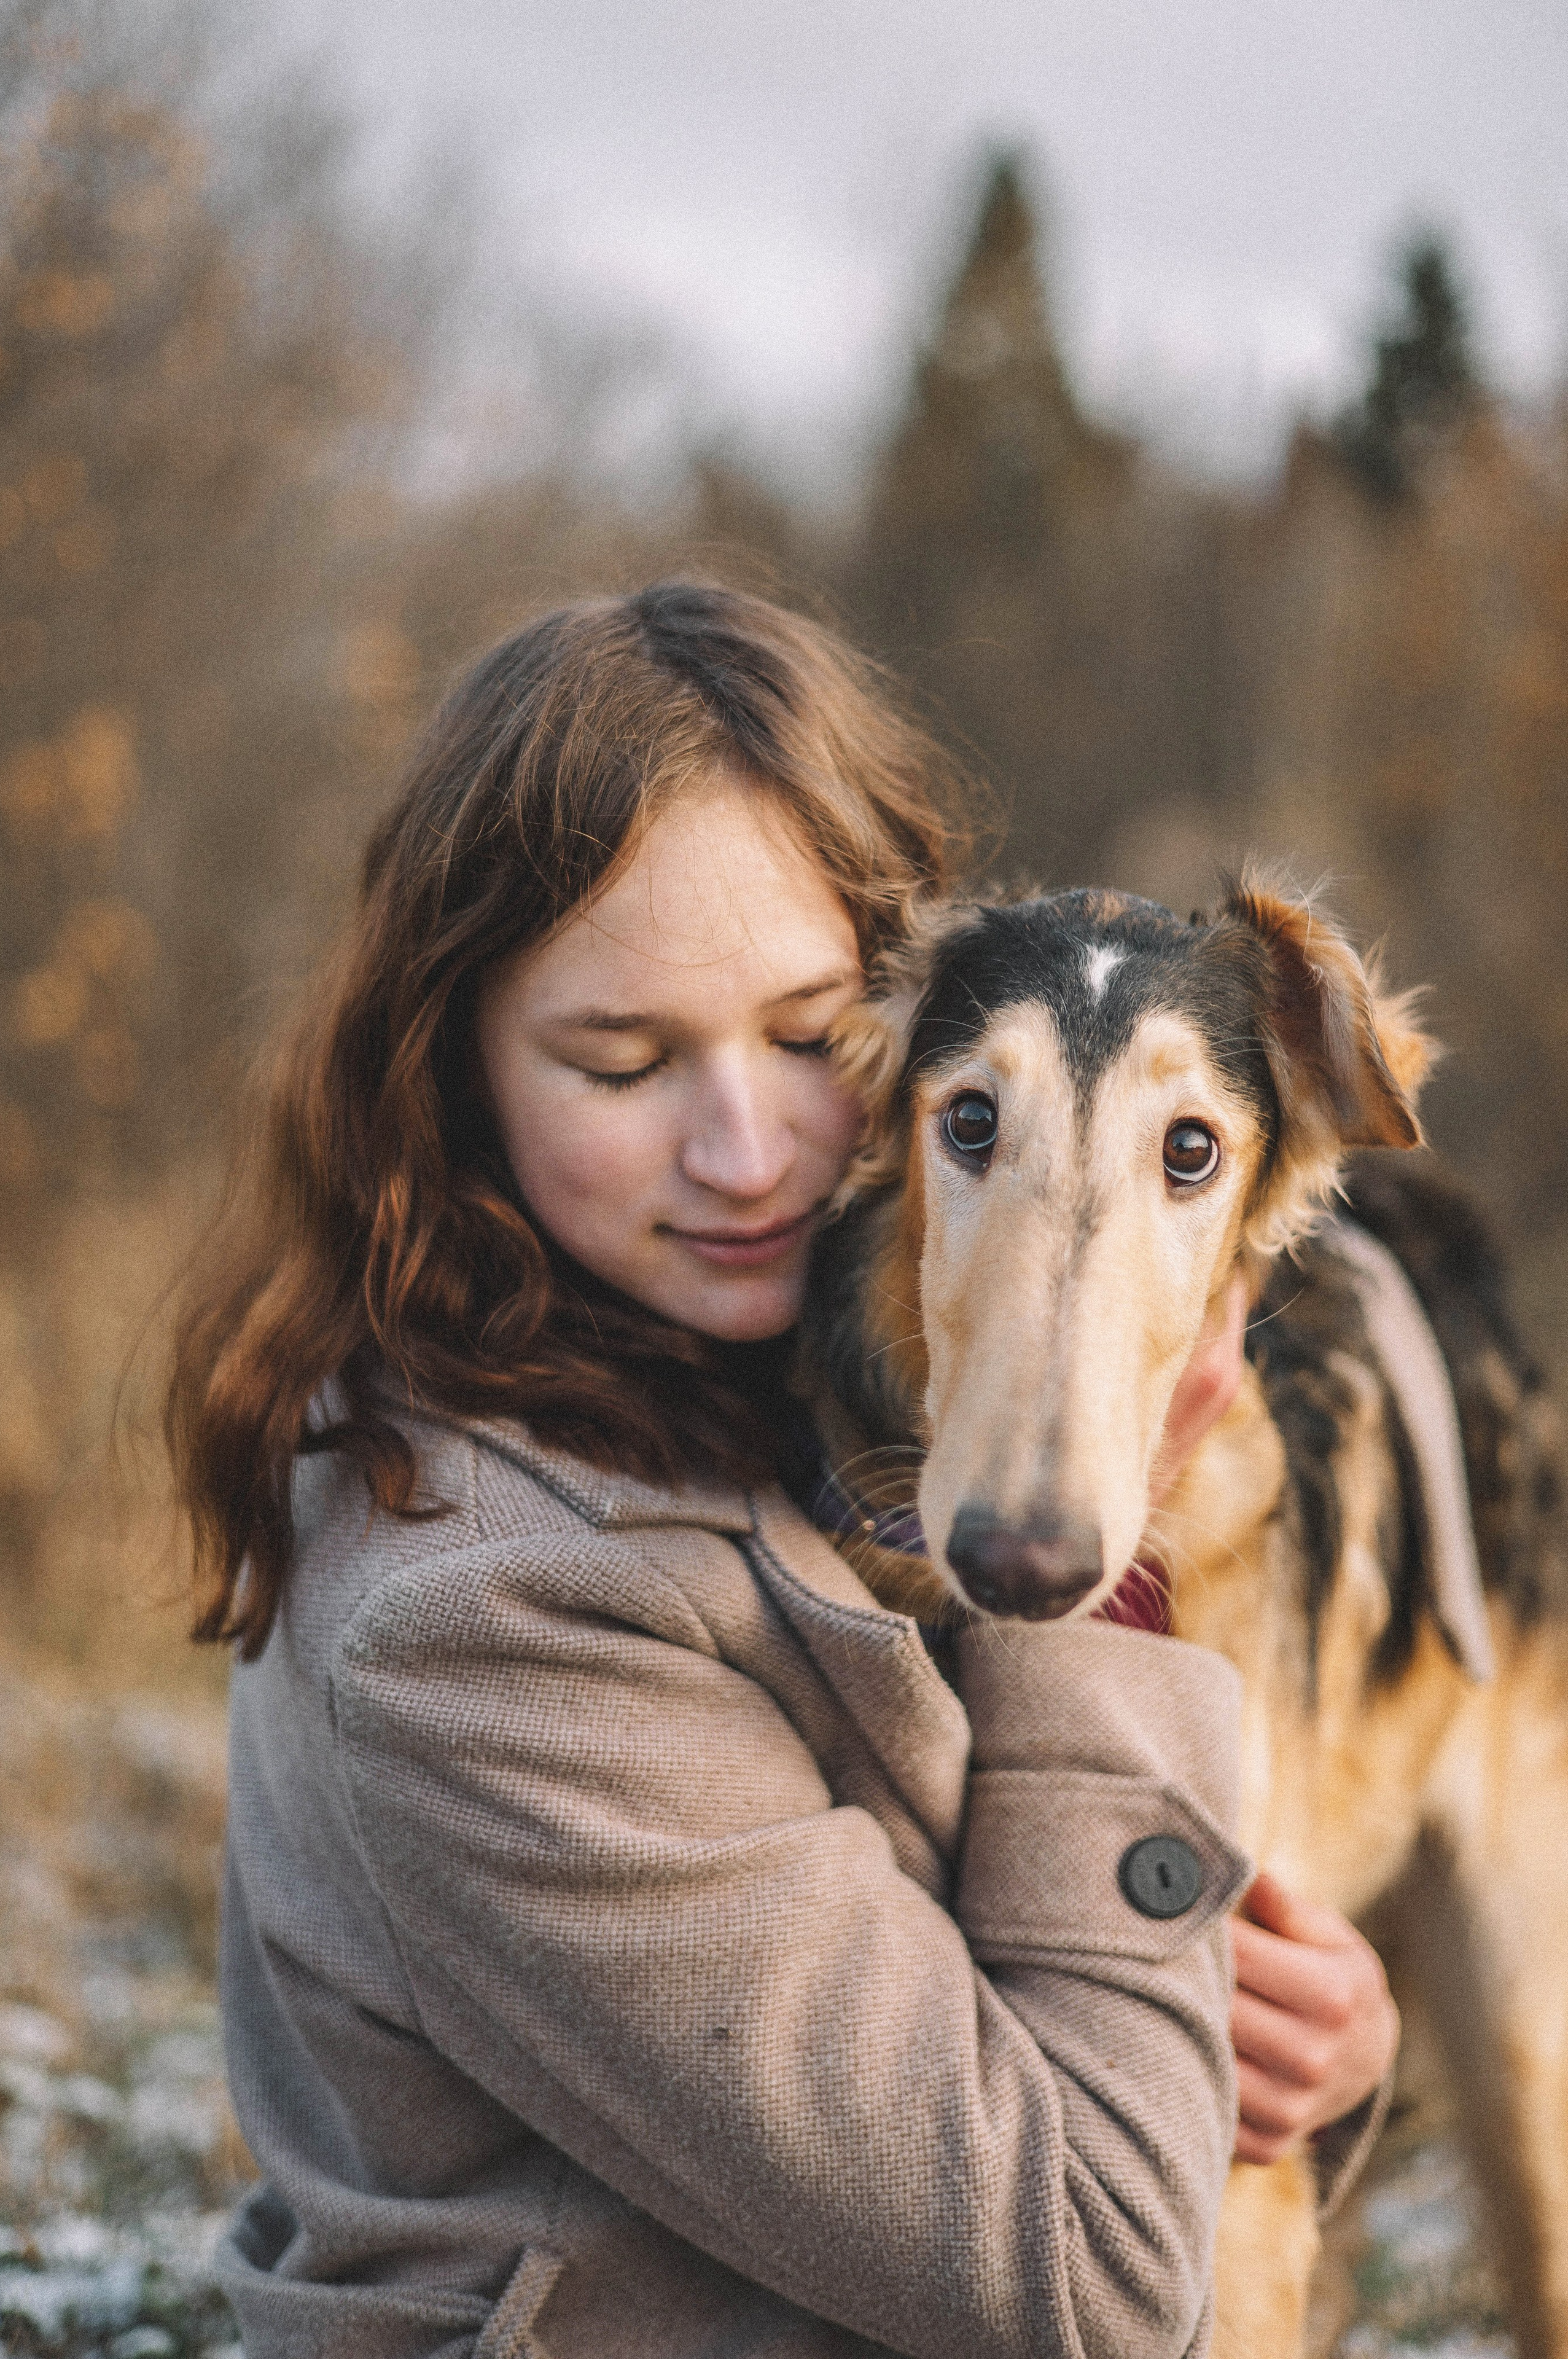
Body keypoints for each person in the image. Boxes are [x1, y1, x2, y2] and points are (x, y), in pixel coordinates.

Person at [168, 582, 1398, 2359]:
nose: (747, 1155)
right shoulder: (468, 1610)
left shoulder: (776, 1381)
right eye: (622, 1063)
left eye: (812, 1039)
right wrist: (1100, 1575)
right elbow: (1094, 2266)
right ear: (452, 1076)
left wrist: (1305, 2041)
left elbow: (1028, 1970)